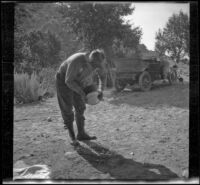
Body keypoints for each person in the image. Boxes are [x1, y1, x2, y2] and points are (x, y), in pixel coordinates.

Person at [55, 49, 107, 146]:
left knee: (80, 106)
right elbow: (69, 81)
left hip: (78, 80)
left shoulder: (98, 62)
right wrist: (81, 92)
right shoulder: (77, 61)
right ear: (90, 61)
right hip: (64, 80)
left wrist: (101, 90)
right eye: (95, 66)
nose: (97, 68)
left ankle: (81, 134)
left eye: (98, 66)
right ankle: (72, 137)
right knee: (67, 108)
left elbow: (103, 76)